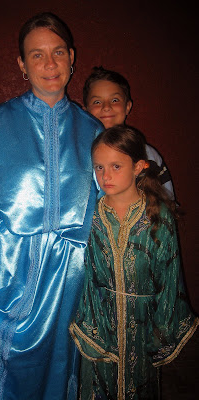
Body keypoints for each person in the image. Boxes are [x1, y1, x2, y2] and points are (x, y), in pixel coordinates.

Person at [0, 12, 103, 400]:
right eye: (37, 55)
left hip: (68, 282)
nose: (50, 64)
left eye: (58, 53)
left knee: (59, 372)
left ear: (72, 58)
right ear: (22, 65)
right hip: (2, 277)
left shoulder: (93, 132)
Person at [69, 125, 198, 399]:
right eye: (99, 167)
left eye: (116, 166)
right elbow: (87, 275)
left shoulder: (158, 217)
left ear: (139, 166)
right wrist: (94, 325)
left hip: (143, 325)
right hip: (102, 322)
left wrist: (161, 332)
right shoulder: (90, 217)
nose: (106, 176)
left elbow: (170, 276)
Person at [83, 66, 175, 200]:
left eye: (115, 100)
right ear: (85, 111)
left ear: (127, 107)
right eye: (97, 102)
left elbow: (167, 202)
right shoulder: (80, 154)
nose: (106, 107)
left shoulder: (147, 154)